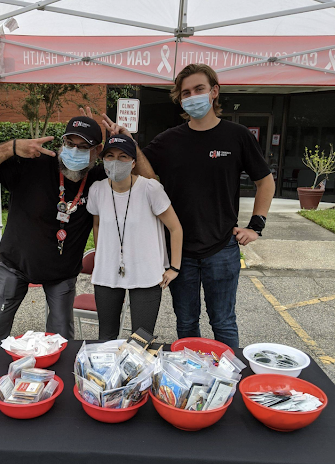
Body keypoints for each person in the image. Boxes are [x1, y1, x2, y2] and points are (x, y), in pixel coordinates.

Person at [103, 64, 275, 348]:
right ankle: (191, 378)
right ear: (179, 99)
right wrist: (129, 143)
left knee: (223, 321)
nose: (192, 96)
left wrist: (256, 225)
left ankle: (228, 379)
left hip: (222, 248)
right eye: (185, 92)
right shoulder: (169, 140)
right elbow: (145, 174)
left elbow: (265, 181)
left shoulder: (237, 135)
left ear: (214, 92)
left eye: (199, 89)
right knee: (186, 322)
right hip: (179, 252)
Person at [0, 114, 106, 340]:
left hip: (62, 273)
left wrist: (125, 142)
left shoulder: (99, 180)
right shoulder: (34, 164)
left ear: (97, 150)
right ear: (62, 143)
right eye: (70, 144)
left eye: (83, 147)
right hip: (15, 265)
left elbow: (147, 180)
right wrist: (11, 148)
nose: (74, 151)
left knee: (61, 338)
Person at [86, 134, 183, 340]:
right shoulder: (97, 190)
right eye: (110, 156)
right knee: (107, 338)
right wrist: (103, 256)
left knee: (141, 340)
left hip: (146, 273)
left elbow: (175, 228)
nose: (115, 161)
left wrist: (174, 268)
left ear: (133, 163)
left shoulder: (150, 189)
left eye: (123, 156)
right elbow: (97, 223)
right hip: (107, 274)